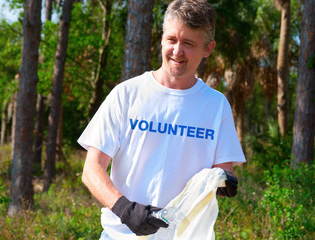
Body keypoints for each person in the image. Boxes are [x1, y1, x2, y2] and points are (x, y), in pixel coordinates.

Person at [78, 0, 246, 239]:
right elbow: (91, 170)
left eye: (188, 43)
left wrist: (225, 181)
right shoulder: (127, 94)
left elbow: (223, 170)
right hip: (122, 235)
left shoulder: (216, 105)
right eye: (171, 40)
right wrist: (126, 210)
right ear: (162, 38)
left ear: (208, 48)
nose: (177, 51)